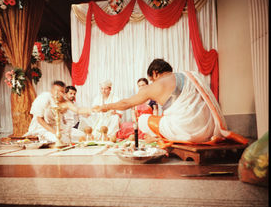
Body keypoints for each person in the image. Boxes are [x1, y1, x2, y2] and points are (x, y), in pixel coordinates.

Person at [93, 59, 248, 147]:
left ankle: (159, 139)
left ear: (154, 74)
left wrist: (105, 107)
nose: (152, 82)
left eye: (152, 79)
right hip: (209, 131)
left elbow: (126, 103)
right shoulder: (191, 75)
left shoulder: (155, 85)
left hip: (185, 132)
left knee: (143, 119)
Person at [24, 80, 91, 144]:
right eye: (57, 91)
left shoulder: (64, 100)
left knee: (81, 135)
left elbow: (77, 110)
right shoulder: (44, 97)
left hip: (57, 126)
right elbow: (39, 120)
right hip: (43, 127)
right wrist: (55, 132)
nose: (59, 94)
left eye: (62, 92)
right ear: (52, 90)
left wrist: (94, 109)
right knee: (59, 139)